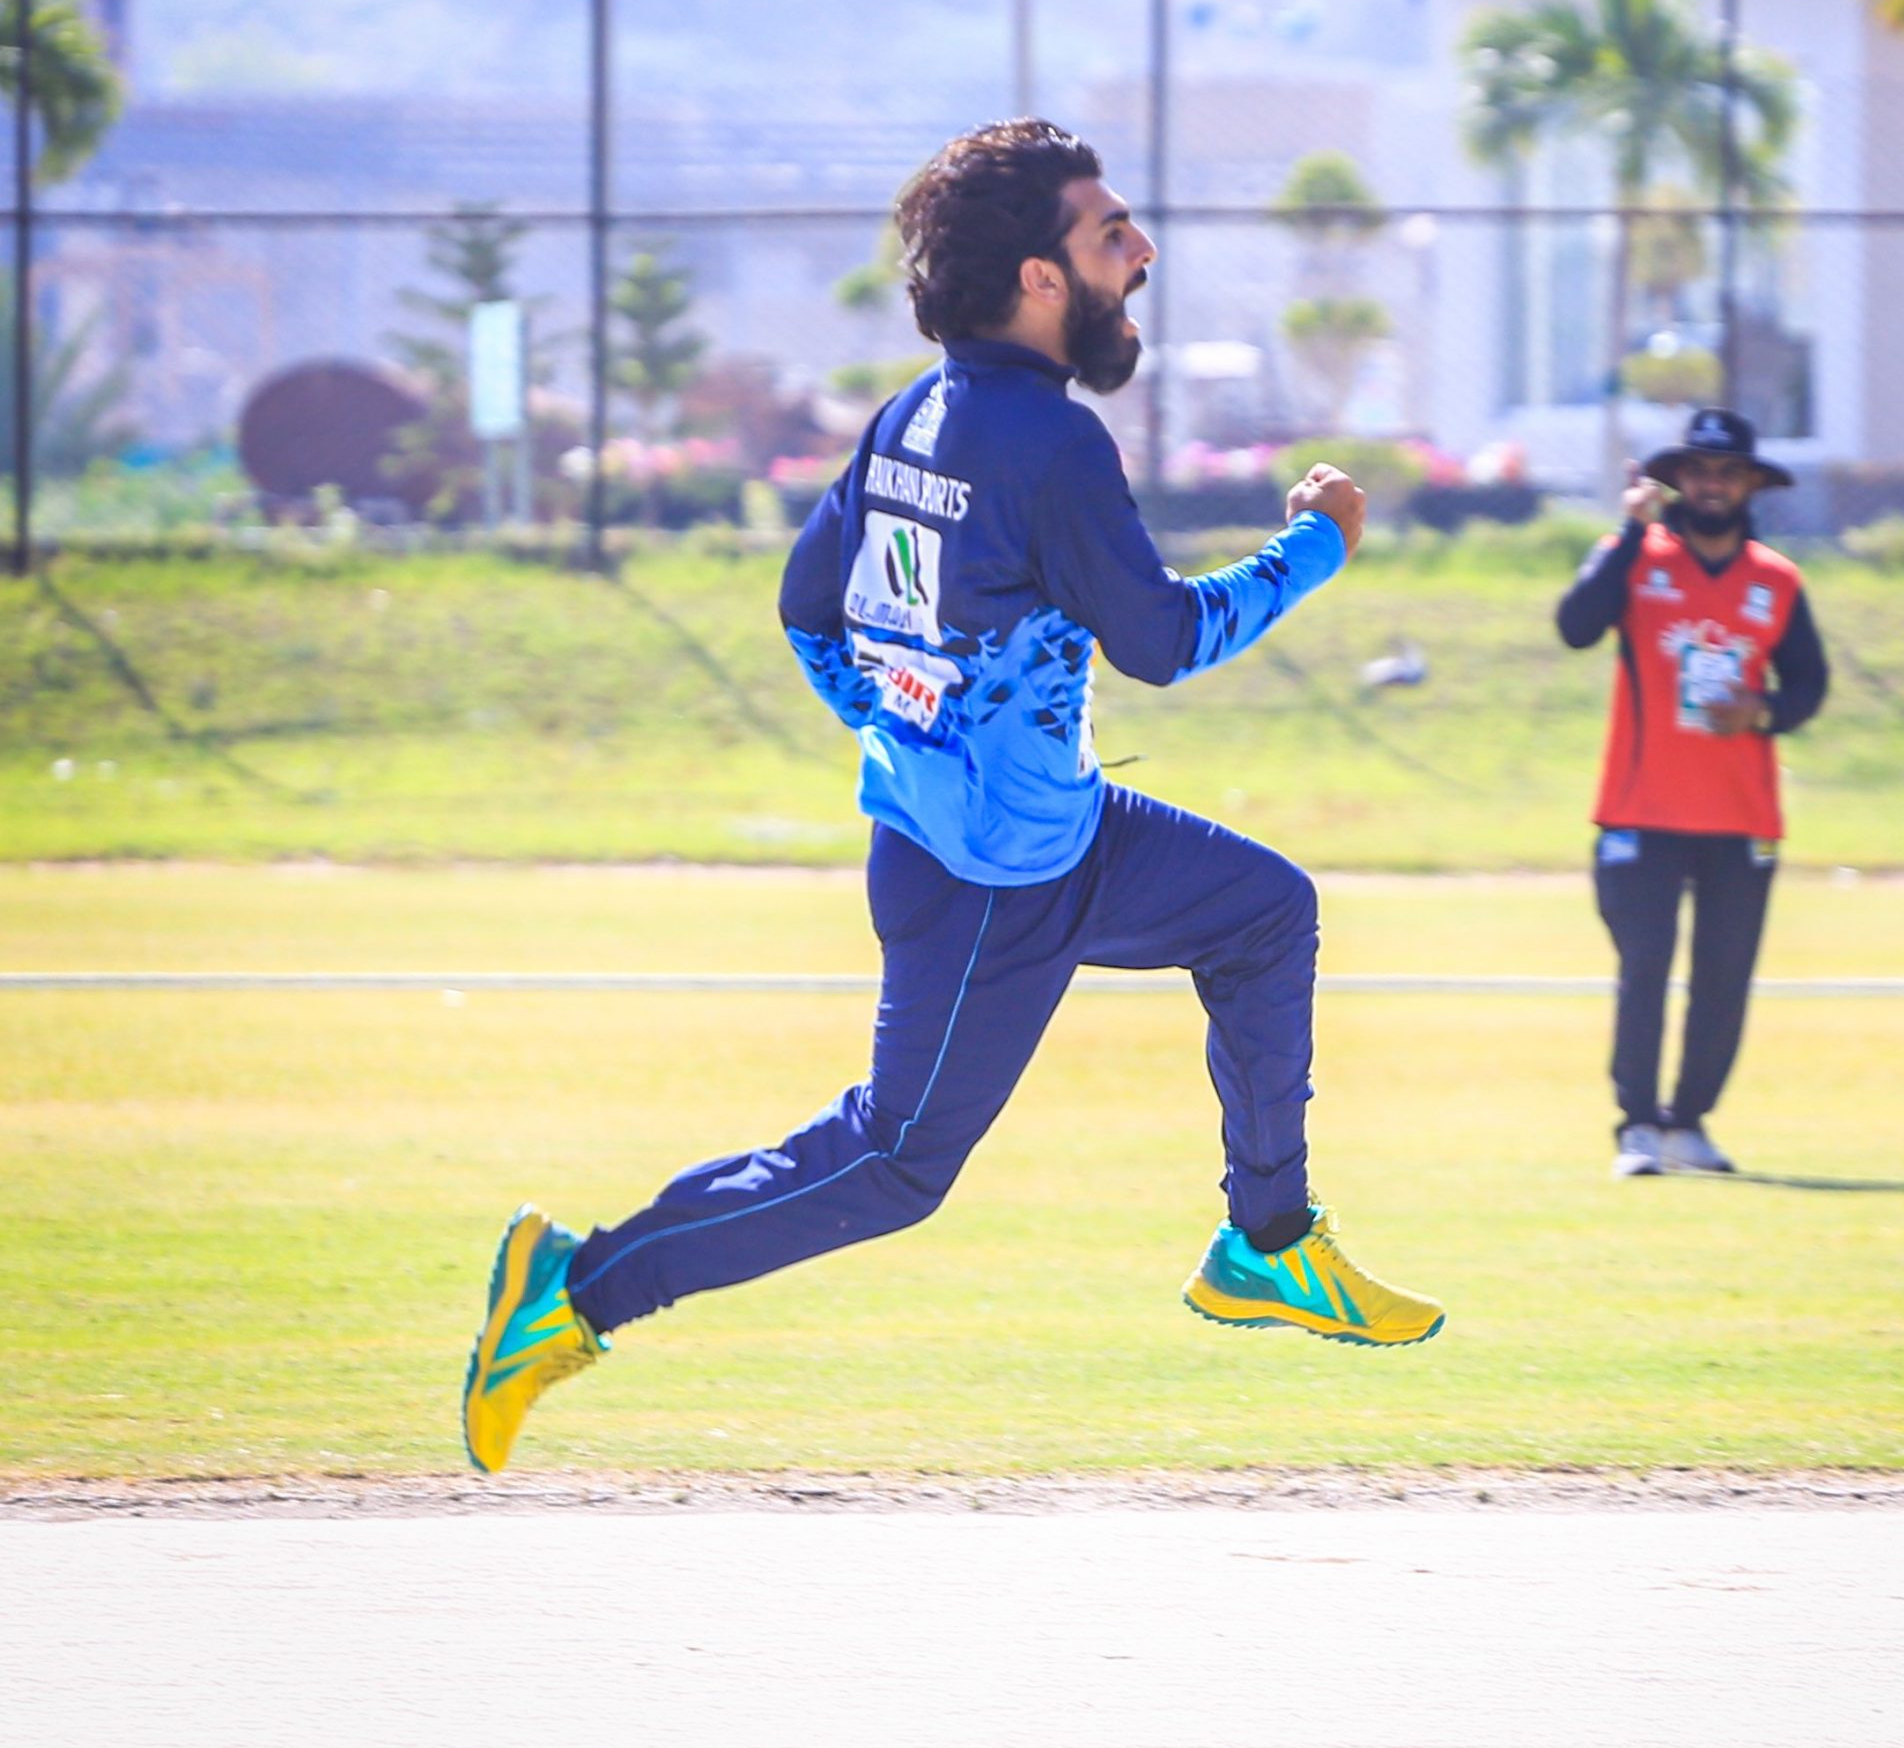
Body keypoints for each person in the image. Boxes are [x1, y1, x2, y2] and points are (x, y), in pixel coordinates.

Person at [462, 119, 1443, 1474]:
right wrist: (1314, 547)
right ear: (1040, 278)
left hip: (1047, 837)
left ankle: (1267, 1243)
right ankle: (574, 1292)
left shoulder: (909, 415)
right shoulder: (1048, 443)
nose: (1141, 252)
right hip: (989, 881)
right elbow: (1162, 642)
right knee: (892, 1166)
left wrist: (905, 725)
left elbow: (808, 609)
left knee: (1264, 913)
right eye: (1110, 232)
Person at [1555, 405, 1829, 1181]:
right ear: (1675, 479)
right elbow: (1575, 627)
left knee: (1723, 975)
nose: (1712, 485)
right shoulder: (1634, 555)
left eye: (1727, 472)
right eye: (1698, 470)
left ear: (1749, 484)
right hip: (1640, 810)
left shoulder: (1775, 580)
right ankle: (1637, 1127)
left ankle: (1689, 1125)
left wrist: (1760, 711)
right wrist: (1631, 530)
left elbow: (1807, 685)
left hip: (1739, 816)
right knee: (1644, 965)